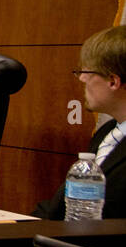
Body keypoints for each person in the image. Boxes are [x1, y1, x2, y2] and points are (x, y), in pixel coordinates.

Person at [35, 25, 126, 219]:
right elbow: (57, 208)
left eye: (87, 72)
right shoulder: (108, 132)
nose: (82, 79)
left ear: (113, 81)